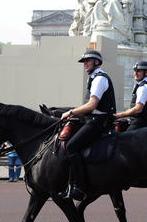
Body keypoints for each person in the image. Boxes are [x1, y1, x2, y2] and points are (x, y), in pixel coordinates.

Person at [60, 49, 117, 201]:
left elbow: (92, 105)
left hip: (99, 122)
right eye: (84, 62)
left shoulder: (99, 78)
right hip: (90, 119)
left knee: (72, 146)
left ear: (96, 62)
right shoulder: (92, 78)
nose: (85, 64)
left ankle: (80, 187)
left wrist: (71, 112)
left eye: (87, 61)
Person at [114, 61, 147, 130]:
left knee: (122, 138)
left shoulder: (144, 87)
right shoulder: (141, 86)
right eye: (135, 71)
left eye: (138, 71)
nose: (135, 73)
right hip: (137, 122)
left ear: (146, 73)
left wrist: (119, 115)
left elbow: (138, 109)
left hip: (140, 125)